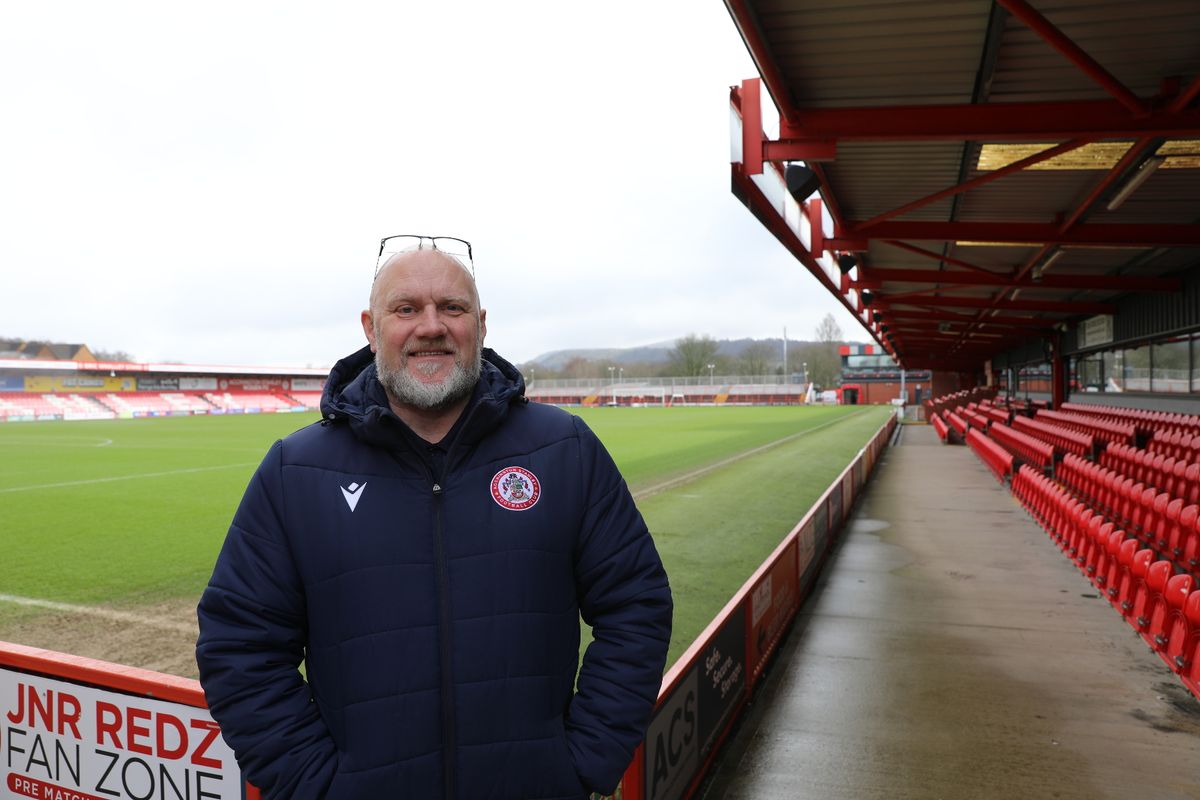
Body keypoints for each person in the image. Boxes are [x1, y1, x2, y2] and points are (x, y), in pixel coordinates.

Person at [196, 237, 672, 800]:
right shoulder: (296, 470)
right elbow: (240, 643)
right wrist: (318, 786)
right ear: (371, 329)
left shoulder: (564, 449)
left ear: (482, 324)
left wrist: (580, 763)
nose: (431, 326)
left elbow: (636, 604)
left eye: (452, 307)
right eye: (406, 309)